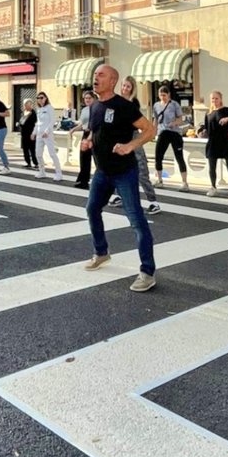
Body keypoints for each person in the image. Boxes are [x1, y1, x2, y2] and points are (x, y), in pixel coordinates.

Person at [81, 64, 157, 292]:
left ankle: (147, 272)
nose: (96, 77)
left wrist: (130, 146)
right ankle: (101, 252)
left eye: (101, 75)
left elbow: (150, 130)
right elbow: (95, 132)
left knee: (136, 221)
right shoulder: (94, 106)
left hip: (124, 172)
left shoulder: (124, 106)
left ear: (112, 80)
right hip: (102, 172)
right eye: (94, 74)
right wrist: (89, 142)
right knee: (92, 209)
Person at [110, 77, 160, 213]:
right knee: (117, 167)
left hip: (133, 136)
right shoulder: (116, 101)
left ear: (132, 89)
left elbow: (133, 121)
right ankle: (119, 195)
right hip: (120, 137)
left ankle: (153, 201)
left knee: (141, 169)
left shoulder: (134, 103)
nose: (125, 89)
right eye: (124, 86)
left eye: (128, 87)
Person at [203, 91, 228, 201]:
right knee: (212, 167)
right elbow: (206, 128)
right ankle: (213, 187)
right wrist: (201, 132)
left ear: (221, 99)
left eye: (216, 98)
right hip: (212, 142)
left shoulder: (227, 110)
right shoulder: (208, 114)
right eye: (212, 99)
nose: (214, 101)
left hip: (226, 142)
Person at [153, 85, 188, 191]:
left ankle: (185, 182)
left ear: (169, 95)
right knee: (158, 156)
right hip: (162, 132)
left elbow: (180, 119)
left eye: (164, 95)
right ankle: (159, 180)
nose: (162, 97)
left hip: (174, 132)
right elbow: (155, 119)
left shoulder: (174, 104)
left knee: (179, 157)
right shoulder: (156, 105)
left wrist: (174, 123)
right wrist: (153, 132)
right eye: (161, 95)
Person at [33, 92, 62, 181]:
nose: (40, 99)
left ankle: (58, 173)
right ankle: (42, 171)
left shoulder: (49, 108)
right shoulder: (39, 109)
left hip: (47, 134)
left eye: (42, 97)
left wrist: (47, 131)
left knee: (52, 153)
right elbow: (38, 123)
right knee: (38, 153)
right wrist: (34, 132)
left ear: (46, 98)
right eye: (38, 98)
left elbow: (52, 121)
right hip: (39, 134)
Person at [73, 89, 96, 189]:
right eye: (85, 98)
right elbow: (82, 124)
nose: (87, 100)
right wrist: (73, 129)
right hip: (85, 133)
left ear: (94, 98)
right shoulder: (84, 110)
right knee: (84, 158)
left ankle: (107, 184)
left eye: (89, 98)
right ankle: (83, 181)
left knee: (97, 159)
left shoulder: (97, 108)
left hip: (95, 134)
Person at [19, 99, 37, 168]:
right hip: (24, 133)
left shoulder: (33, 113)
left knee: (32, 149)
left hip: (31, 133)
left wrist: (34, 133)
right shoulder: (23, 112)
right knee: (25, 149)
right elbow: (21, 122)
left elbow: (34, 123)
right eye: (25, 104)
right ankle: (28, 162)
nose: (25, 106)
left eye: (27, 104)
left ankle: (36, 163)